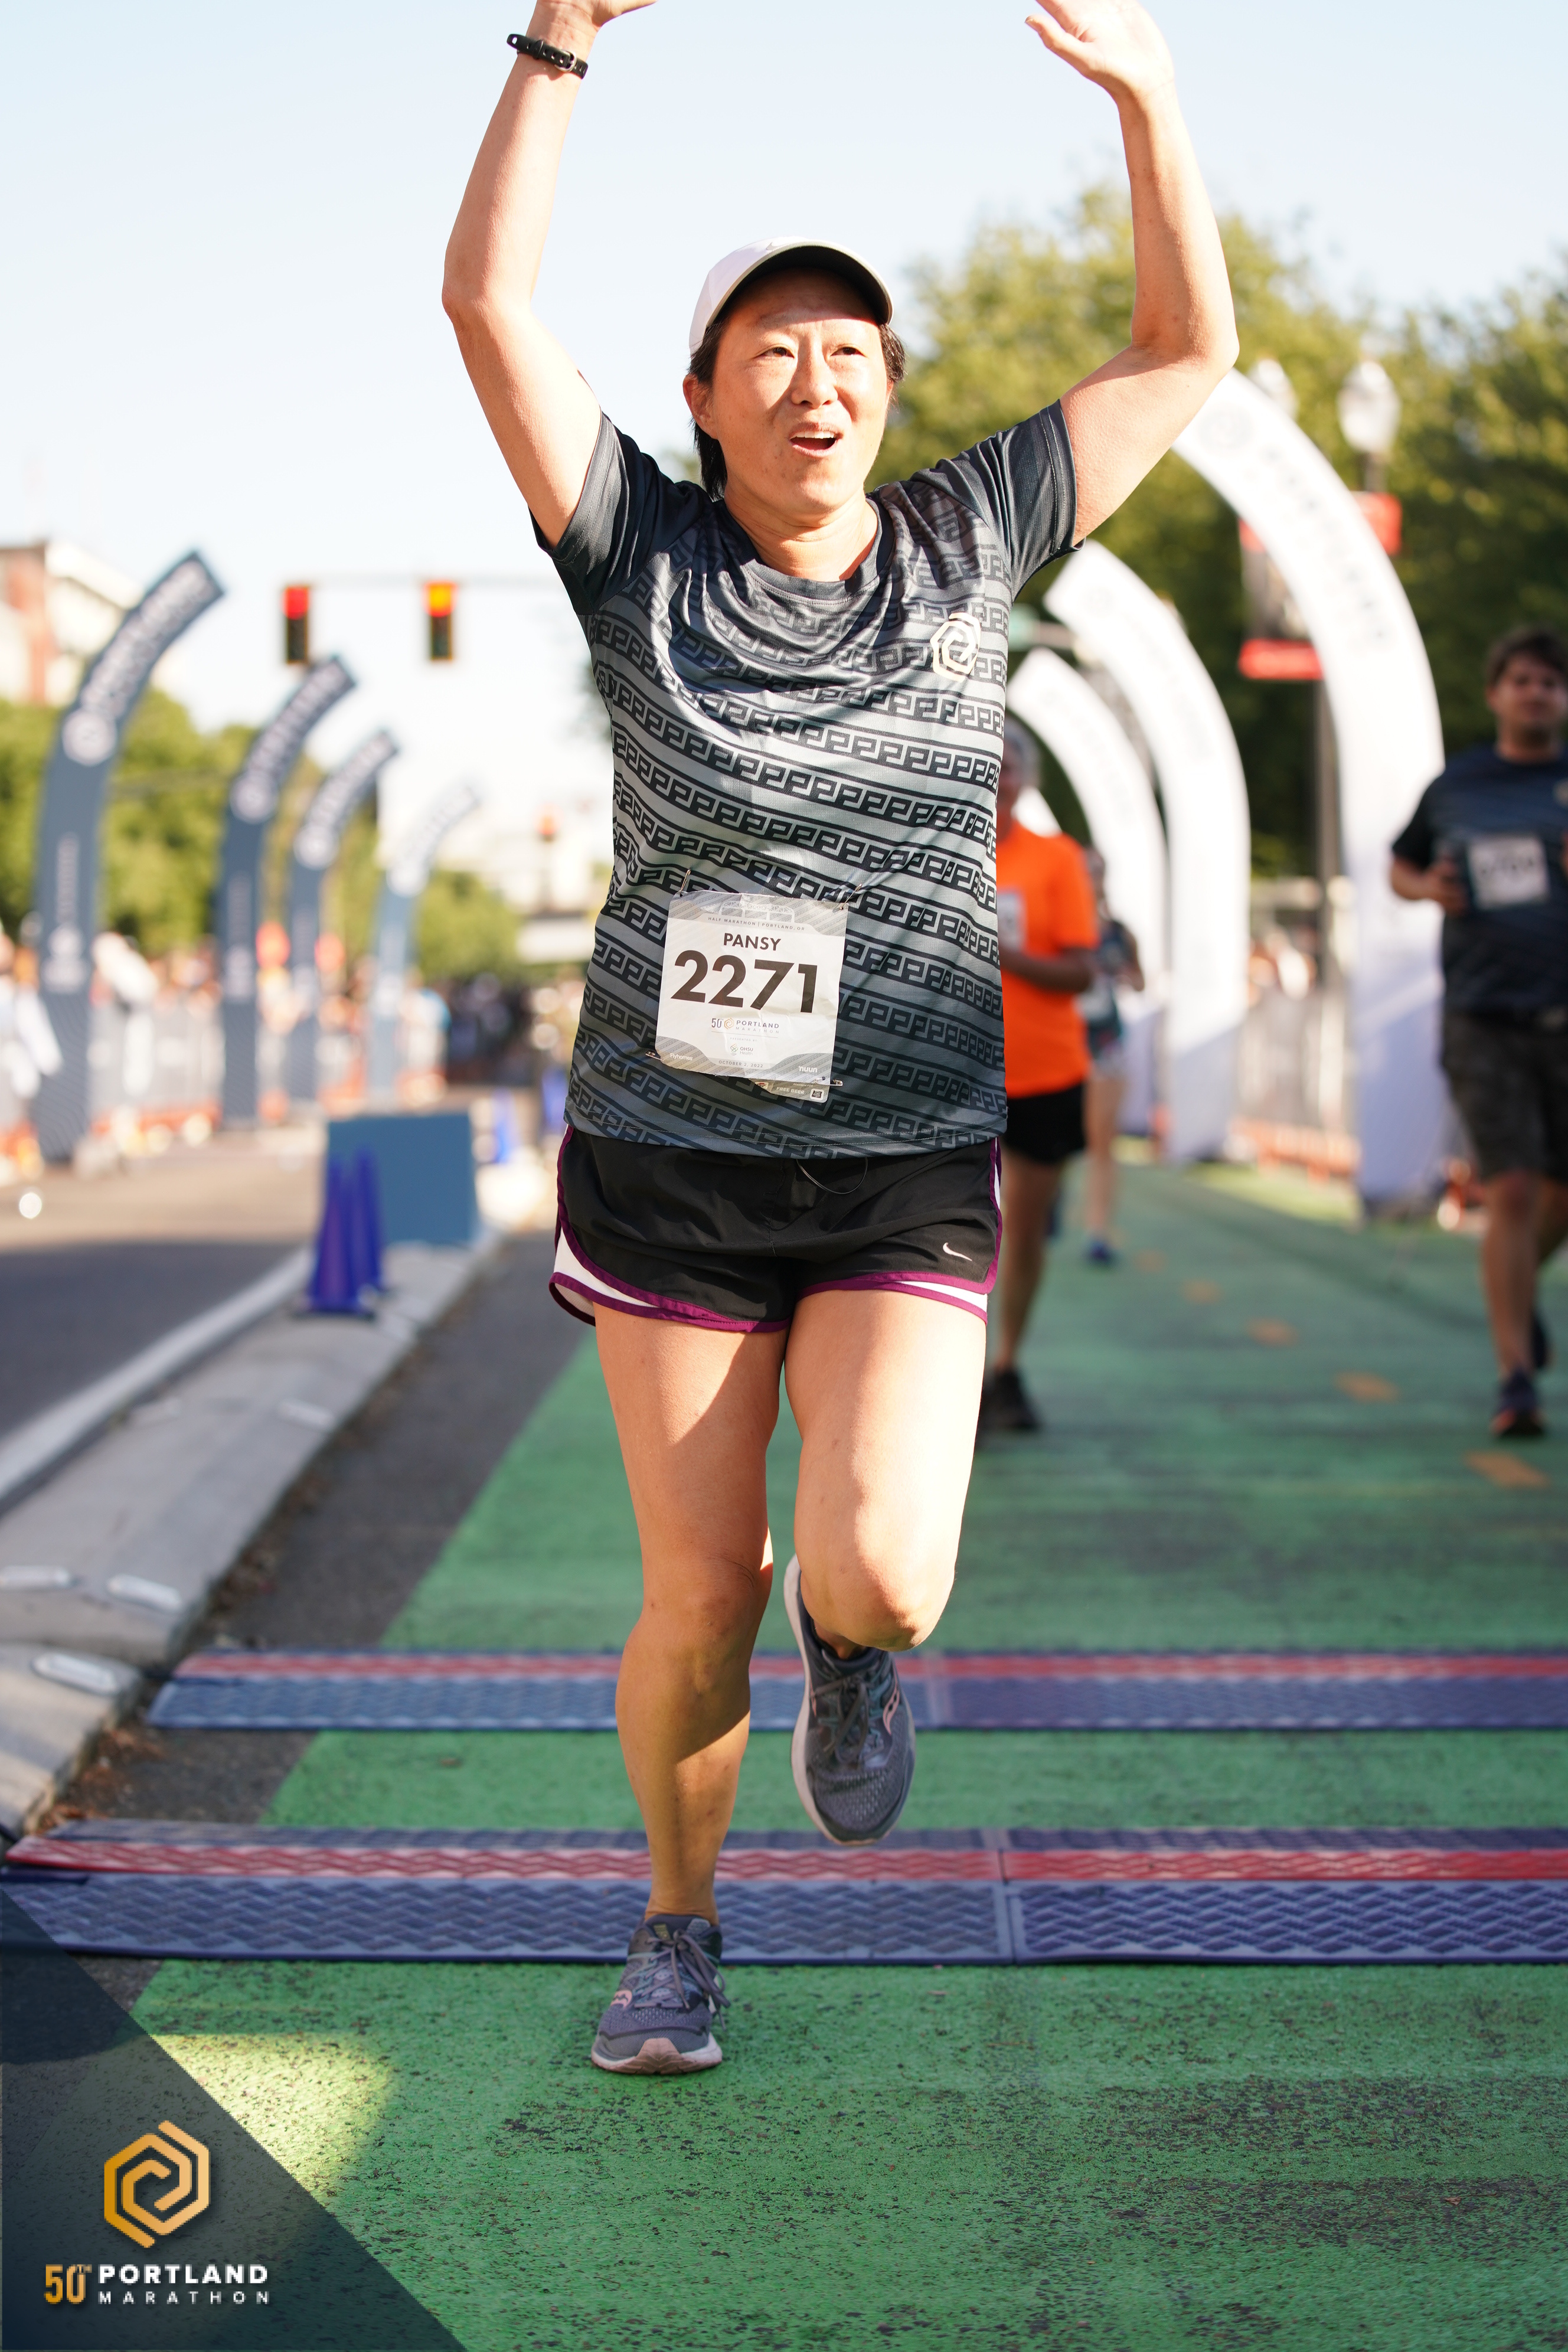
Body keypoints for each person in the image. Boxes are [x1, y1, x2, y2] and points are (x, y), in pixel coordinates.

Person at [444, 0, 1237, 2073]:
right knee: (694, 1586)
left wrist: (1149, 100)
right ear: (703, 395)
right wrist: (554, 44)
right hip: (672, 1160)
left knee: (880, 1565)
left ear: (890, 387)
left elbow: (1183, 353)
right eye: (776, 350)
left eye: (855, 349)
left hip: (896, 1154)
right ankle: (678, 1923)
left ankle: (853, 1644)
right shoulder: (636, 551)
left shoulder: (972, 539)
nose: (821, 380)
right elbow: (487, 306)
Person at [1391, 625, 1568, 1438]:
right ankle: (1514, 1379)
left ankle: (1516, 1291)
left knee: (1556, 1194)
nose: (1536, 693)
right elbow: (1400, 865)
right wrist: (1429, 887)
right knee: (1512, 1188)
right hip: (1483, 1014)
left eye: (1549, 682)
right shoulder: (1457, 785)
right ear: (1496, 693)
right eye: (1522, 680)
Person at [978, 725, 1099, 1433]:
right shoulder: (937, 849)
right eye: (987, 763)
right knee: (955, 1238)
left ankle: (1006, 1367)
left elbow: (1082, 971)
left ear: (1026, 778)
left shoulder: (1057, 859)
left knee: (1020, 1235)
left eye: (1009, 766)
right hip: (957, 1071)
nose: (997, 777)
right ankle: (958, 1380)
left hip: (1044, 1072)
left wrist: (1005, 955)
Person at [1076, 846, 1145, 1265]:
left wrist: (1122, 974)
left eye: (1097, 871)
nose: (1091, 878)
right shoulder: (1060, 928)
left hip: (1105, 1045)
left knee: (1103, 1141)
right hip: (1060, 1044)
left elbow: (1140, 981)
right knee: (1047, 1141)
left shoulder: (1119, 933)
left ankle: (1098, 1231)